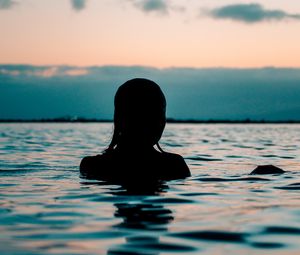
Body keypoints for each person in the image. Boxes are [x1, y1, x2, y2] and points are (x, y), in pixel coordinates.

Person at [80, 78, 190, 184]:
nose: (161, 122)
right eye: (153, 115)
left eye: (160, 114)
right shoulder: (174, 165)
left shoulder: (92, 165)